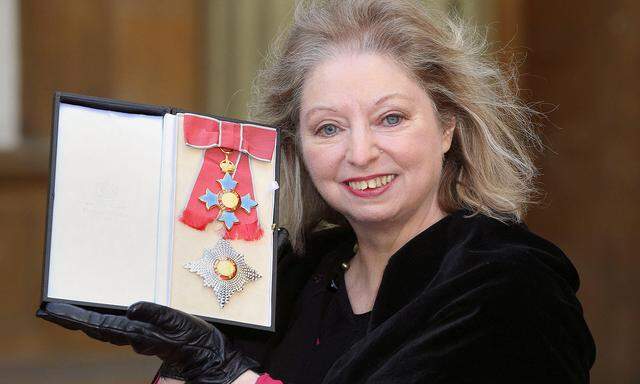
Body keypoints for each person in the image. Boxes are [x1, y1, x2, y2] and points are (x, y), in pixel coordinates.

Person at [37, 0, 596, 383]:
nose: (360, 153)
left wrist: (228, 373)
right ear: (297, 147)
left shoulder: (510, 285)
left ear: (448, 126)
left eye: (392, 118)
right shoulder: (292, 275)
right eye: (328, 128)